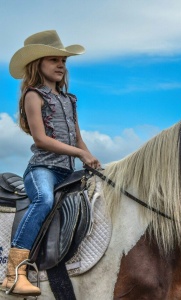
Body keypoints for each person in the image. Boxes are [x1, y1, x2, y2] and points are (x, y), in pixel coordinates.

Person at [1, 30, 100, 296]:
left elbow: (79, 139)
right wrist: (79, 155)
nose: (60, 65)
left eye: (63, 61)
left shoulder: (70, 100)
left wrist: (90, 159)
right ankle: (15, 272)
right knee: (43, 200)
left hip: (67, 172)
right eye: (53, 60)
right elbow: (41, 139)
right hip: (43, 169)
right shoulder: (34, 96)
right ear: (38, 65)